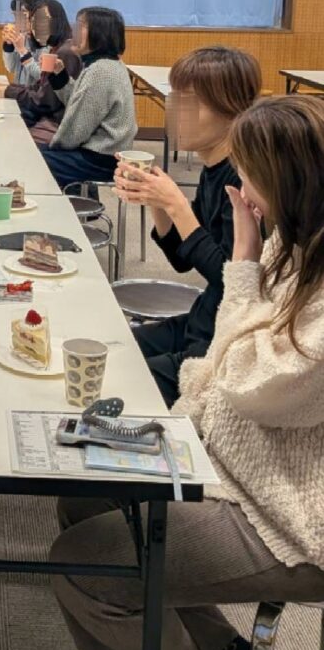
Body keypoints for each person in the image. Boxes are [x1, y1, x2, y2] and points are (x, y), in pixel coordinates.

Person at [50, 94, 324, 650]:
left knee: (84, 567)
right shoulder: (294, 241)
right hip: (230, 456)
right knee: (79, 493)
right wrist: (250, 253)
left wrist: (242, 256)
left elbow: (244, 382)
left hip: (286, 511)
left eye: (249, 174)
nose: (240, 188)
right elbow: (225, 365)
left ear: (286, 182)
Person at [114, 46, 261, 406]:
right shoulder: (212, 169)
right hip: (199, 320)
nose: (177, 114)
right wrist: (156, 200)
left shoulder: (243, 182)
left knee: (118, 380)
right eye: (175, 100)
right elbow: (182, 260)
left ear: (231, 109)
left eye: (191, 104)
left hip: (219, 344)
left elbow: (233, 280)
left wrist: (176, 204)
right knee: (110, 347)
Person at [38, 6, 136, 193]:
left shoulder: (100, 71)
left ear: (99, 34)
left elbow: (75, 129)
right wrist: (59, 74)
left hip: (100, 158)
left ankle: (77, 204)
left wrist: (53, 147)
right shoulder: (105, 64)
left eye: (81, 26)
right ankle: (83, 201)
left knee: (33, 159)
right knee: (37, 152)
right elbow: (78, 101)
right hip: (104, 154)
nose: (74, 31)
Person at [0, 0, 81, 137]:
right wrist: (9, 45)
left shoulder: (63, 51)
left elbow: (45, 100)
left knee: (4, 129)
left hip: (53, 122)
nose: (35, 27)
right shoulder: (52, 45)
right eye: (34, 22)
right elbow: (14, 69)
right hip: (38, 108)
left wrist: (22, 51)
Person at [0, 0, 41, 86]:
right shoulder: (23, 36)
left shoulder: (46, 41)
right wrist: (9, 45)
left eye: (23, 15)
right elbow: (11, 67)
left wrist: (22, 50)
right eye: (16, 15)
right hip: (19, 91)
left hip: (33, 94)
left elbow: (41, 75)